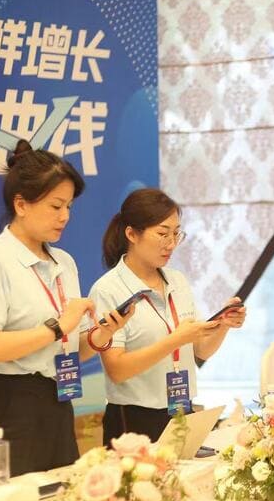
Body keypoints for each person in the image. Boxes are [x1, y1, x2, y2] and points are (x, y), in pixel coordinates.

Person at [0, 140, 131, 484]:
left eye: (68, 206)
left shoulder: (64, 262)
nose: (65, 216)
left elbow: (68, 349)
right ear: (21, 204)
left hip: (57, 405)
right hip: (5, 408)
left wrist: (102, 335)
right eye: (55, 206)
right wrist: (57, 327)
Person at [89, 189, 247, 445]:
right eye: (163, 234)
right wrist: (175, 340)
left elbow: (201, 351)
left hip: (182, 409)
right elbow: (117, 370)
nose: (171, 243)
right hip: (134, 419)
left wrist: (223, 325)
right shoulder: (108, 289)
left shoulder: (177, 280)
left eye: (176, 233)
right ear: (131, 234)